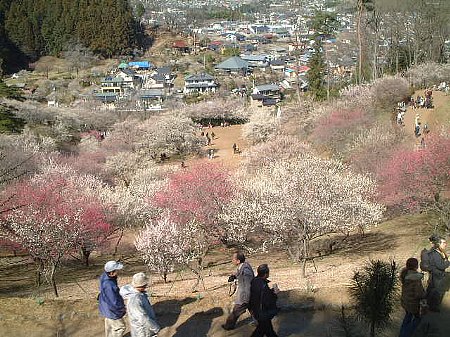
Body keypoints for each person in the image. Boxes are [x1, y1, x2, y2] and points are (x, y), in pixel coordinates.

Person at [120, 272, 160, 337]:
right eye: (145, 284)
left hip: (145, 328)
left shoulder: (139, 293)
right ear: (141, 285)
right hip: (143, 331)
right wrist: (155, 328)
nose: (146, 285)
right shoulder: (135, 300)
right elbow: (142, 317)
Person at [222, 252, 255, 330]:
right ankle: (260, 322)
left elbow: (248, 285)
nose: (232, 260)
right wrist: (234, 276)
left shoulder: (246, 271)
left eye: (233, 259)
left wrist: (246, 298)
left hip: (245, 295)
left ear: (238, 261)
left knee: (236, 311)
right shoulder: (243, 266)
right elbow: (239, 273)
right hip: (247, 294)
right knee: (253, 309)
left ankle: (228, 326)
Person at [249, 264, 279, 337]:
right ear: (266, 274)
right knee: (267, 331)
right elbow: (268, 301)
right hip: (263, 312)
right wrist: (275, 294)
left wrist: (270, 291)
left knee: (264, 330)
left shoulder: (254, 281)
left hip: (256, 310)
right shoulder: (263, 285)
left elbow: (258, 295)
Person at [399, 258, 426, 337]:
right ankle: (405, 334)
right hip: (413, 304)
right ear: (416, 266)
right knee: (418, 319)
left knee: (408, 316)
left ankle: (402, 333)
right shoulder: (416, 279)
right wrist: (425, 295)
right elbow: (419, 294)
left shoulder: (405, 274)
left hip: (405, 302)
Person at [99, 261, 126, 337]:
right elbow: (113, 302)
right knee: (120, 327)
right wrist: (121, 309)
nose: (118, 272)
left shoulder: (104, 276)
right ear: (111, 272)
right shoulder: (109, 285)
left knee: (110, 327)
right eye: (117, 270)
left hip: (105, 307)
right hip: (112, 310)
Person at [426, 236, 450, 308]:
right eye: (444, 243)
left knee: (431, 289)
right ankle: (433, 307)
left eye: (445, 242)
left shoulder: (438, 251)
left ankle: (427, 304)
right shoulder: (435, 253)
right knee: (437, 291)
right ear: (438, 244)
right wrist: (448, 261)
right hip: (437, 275)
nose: (445, 244)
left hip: (435, 274)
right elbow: (441, 266)